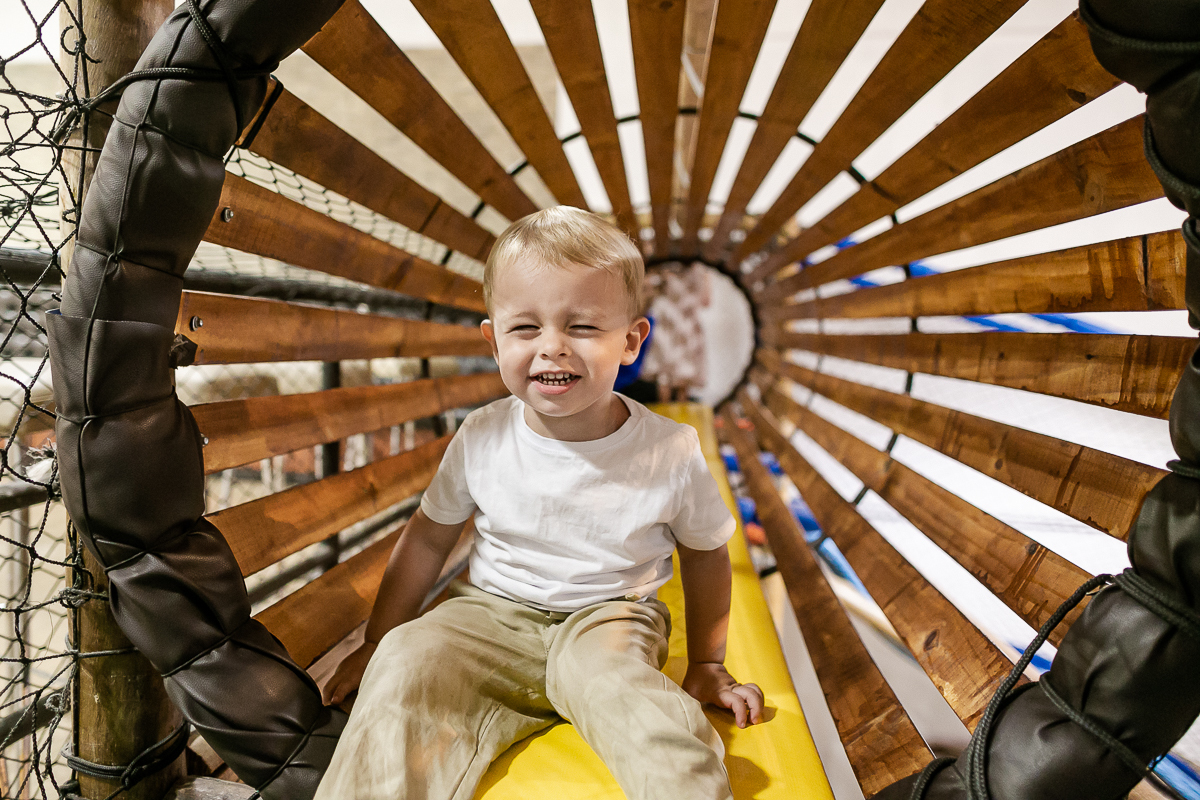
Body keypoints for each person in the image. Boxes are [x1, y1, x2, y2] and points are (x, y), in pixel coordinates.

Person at [314, 206, 765, 800]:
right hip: (490, 614)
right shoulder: (482, 435)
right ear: (493, 340)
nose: (552, 348)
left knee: (626, 695)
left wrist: (707, 663)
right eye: (525, 328)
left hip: (608, 617)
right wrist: (377, 641)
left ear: (631, 341)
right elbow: (428, 536)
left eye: (582, 327)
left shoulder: (668, 450)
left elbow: (707, 552)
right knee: (408, 658)